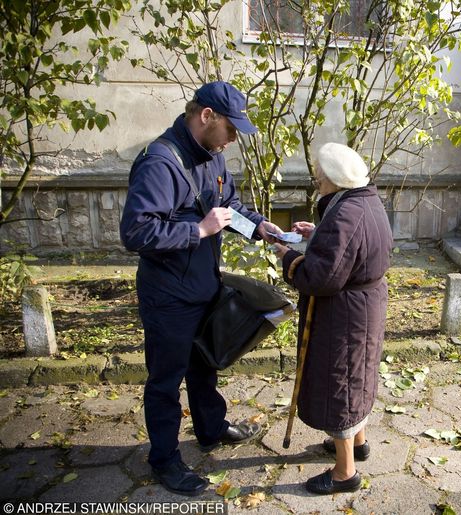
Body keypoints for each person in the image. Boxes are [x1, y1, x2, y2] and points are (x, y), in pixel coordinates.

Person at [120, 81, 281, 496]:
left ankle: (210, 430)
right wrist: (197, 230)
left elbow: (230, 208)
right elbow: (136, 232)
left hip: (202, 287)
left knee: (204, 367)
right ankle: (164, 459)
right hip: (168, 297)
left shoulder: (211, 156)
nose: (233, 140)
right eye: (231, 130)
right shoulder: (161, 162)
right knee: (165, 380)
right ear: (206, 116)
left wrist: (259, 227)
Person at [272, 143, 393, 495]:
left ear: (336, 179)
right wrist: (318, 234)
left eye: (320, 177)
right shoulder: (365, 200)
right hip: (363, 305)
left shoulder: (345, 213)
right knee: (359, 374)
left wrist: (289, 257)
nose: (317, 182)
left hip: (343, 313)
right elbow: (352, 245)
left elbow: (322, 278)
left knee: (340, 381)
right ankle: (358, 443)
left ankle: (345, 473)